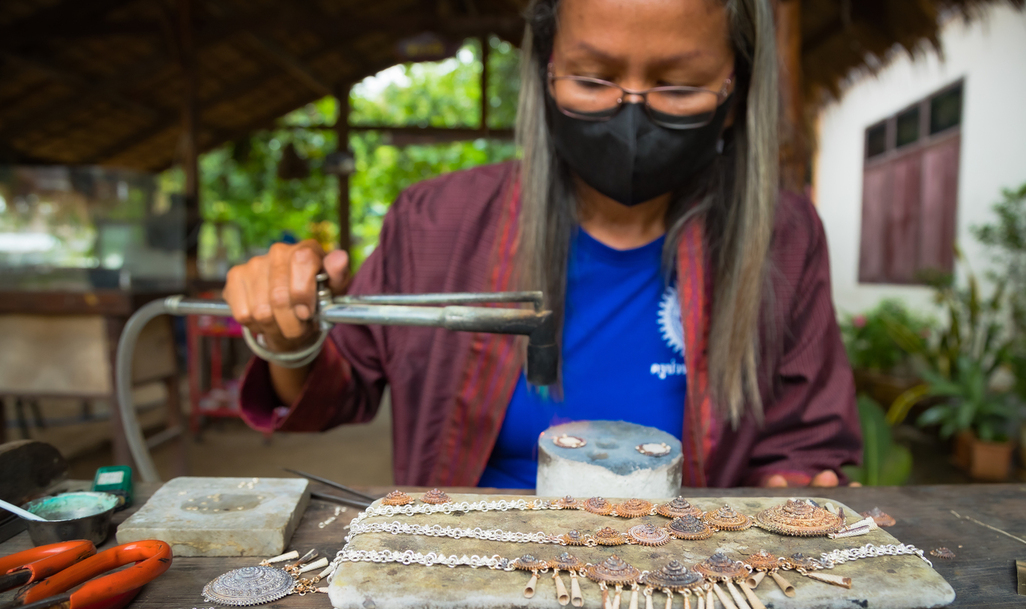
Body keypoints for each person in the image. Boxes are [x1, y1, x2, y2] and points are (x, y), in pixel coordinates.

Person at [224, 0, 861, 489]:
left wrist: (796, 491)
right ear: (544, 71)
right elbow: (340, 387)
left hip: (680, 587)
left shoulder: (783, 236)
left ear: (735, 93)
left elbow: (808, 444)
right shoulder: (434, 222)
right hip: (472, 576)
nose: (630, 112)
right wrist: (290, 337)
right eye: (591, 78)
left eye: (678, 85)